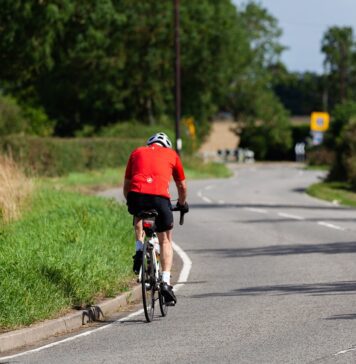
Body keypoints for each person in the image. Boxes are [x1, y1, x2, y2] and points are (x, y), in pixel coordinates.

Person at [123, 132, 188, 305]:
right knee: (166, 240)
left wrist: (131, 201)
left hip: (137, 197)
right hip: (160, 199)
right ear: (166, 146)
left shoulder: (137, 152)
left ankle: (139, 249)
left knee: (138, 215)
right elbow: (181, 185)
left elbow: (127, 185)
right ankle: (166, 282)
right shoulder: (172, 154)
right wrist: (181, 204)